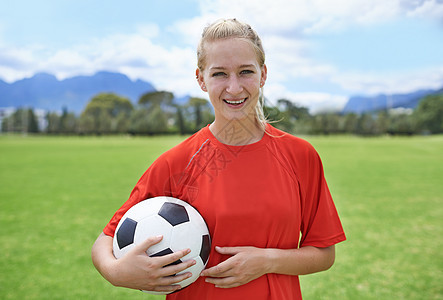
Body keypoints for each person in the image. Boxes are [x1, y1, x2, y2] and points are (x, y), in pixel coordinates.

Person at [91, 18, 346, 300]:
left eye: (245, 72)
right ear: (201, 79)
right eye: (220, 74)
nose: (234, 87)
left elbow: (323, 252)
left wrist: (267, 261)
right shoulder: (177, 163)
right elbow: (105, 240)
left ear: (263, 74)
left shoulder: (300, 156)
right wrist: (116, 272)